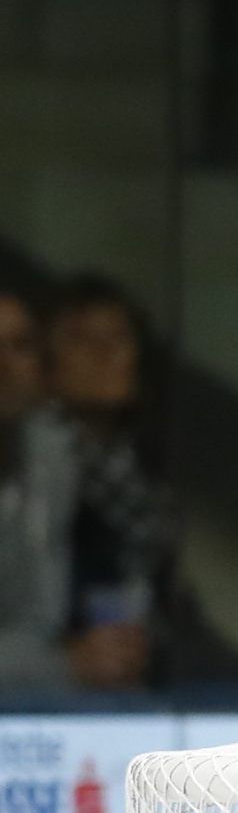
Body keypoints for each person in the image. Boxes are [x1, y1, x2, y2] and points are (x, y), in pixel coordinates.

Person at [41, 277, 238, 703]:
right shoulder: (40, 468)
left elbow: (164, 599)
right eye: (84, 339)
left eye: (118, 338)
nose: (105, 353)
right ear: (48, 360)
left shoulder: (144, 467)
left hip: (145, 668)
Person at [0, 289, 74, 699]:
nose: (3, 364)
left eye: (20, 346)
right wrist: (63, 665)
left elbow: (44, 617)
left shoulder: (54, 459)